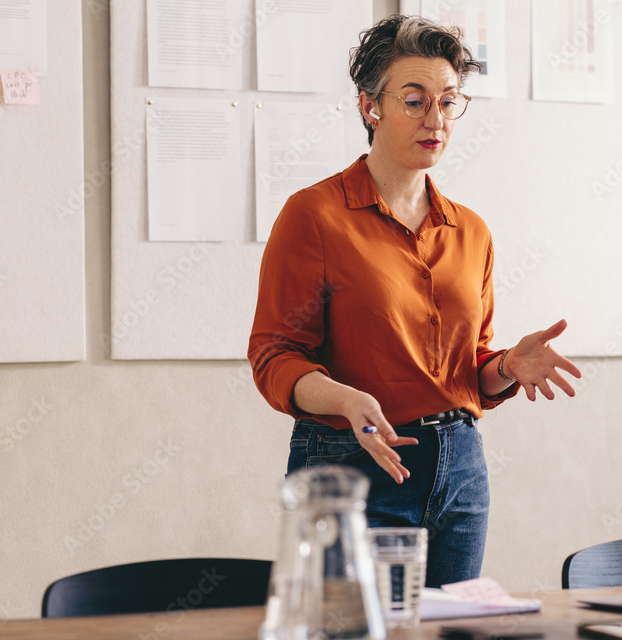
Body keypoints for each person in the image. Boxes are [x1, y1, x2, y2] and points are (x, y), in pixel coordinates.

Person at [248, 14, 581, 588]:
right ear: (369, 107)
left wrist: (505, 367)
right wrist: (348, 400)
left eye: (448, 102)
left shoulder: (470, 231)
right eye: (414, 100)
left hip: (460, 471)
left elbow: (468, 370)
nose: (436, 120)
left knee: (451, 632)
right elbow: (274, 356)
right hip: (352, 465)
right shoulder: (314, 216)